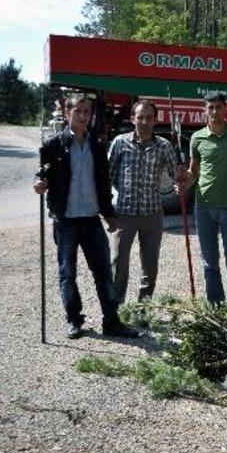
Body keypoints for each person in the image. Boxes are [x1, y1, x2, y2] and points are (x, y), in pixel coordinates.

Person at [33, 95, 138, 339]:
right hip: (66, 220)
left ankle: (112, 322)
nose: (82, 116)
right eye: (78, 111)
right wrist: (39, 182)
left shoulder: (97, 145)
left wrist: (109, 214)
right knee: (67, 273)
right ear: (67, 113)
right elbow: (41, 173)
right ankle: (74, 320)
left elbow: (103, 183)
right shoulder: (53, 145)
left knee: (103, 272)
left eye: (86, 112)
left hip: (91, 219)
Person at [180, 92, 227, 305]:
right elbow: (194, 172)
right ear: (204, 110)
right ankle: (216, 305)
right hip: (203, 207)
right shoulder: (197, 138)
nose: (214, 111)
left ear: (225, 109)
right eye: (210, 107)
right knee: (209, 262)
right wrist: (183, 182)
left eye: (218, 107)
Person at [108, 100, 181, 310]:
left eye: (149, 118)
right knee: (118, 262)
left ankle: (143, 310)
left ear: (156, 120)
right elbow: (108, 175)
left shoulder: (164, 146)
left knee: (150, 266)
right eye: (140, 117)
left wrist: (180, 181)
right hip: (124, 213)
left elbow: (175, 175)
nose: (145, 122)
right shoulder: (120, 142)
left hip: (152, 214)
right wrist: (106, 209)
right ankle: (117, 309)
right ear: (133, 119)